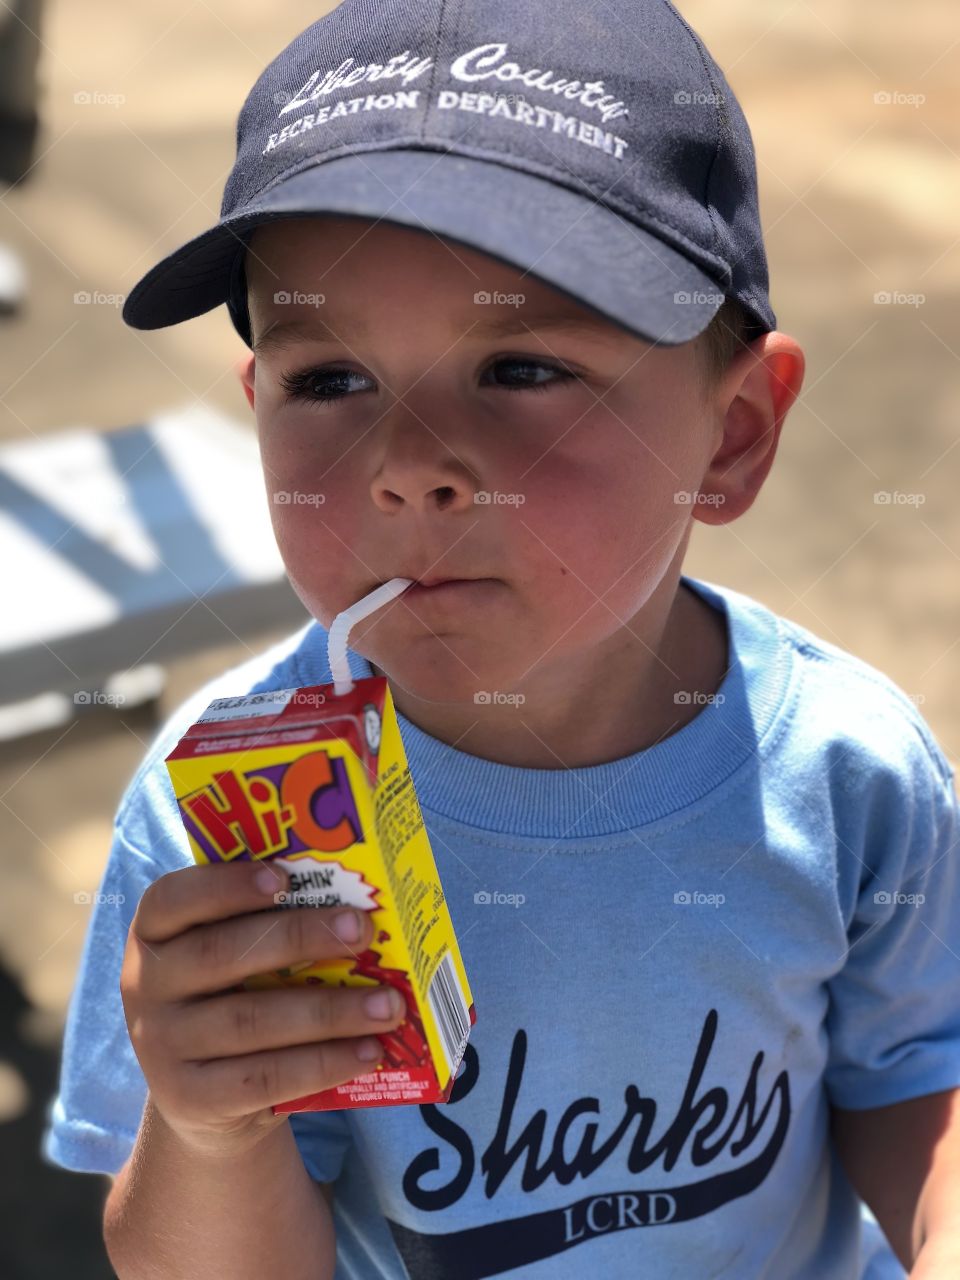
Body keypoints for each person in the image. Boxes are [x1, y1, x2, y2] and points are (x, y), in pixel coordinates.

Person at [41, 2, 960, 1278]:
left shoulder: (849, 769)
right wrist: (208, 1127)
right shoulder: (228, 823)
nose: (408, 467)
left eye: (523, 366)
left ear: (734, 432)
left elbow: (914, 1068)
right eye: (331, 381)